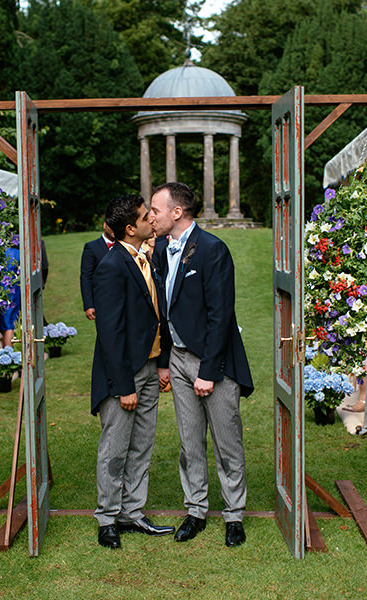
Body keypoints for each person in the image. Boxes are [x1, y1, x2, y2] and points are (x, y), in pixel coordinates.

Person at [149, 181, 253, 548]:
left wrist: (208, 372)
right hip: (176, 360)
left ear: (177, 212)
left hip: (214, 360)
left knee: (228, 442)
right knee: (189, 441)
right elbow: (163, 312)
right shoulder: (160, 249)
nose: (150, 216)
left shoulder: (213, 250)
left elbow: (221, 316)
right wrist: (164, 361)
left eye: (155, 210)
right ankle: (195, 509)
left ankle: (234, 515)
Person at [90, 194, 173, 549]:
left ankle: (133, 512)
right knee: (115, 447)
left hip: (150, 368)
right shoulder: (110, 267)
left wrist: (162, 362)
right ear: (130, 229)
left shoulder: (145, 259)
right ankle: (107, 519)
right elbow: (110, 333)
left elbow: (157, 314)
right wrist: (124, 386)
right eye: (145, 217)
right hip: (121, 375)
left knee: (141, 445)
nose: (151, 220)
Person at [80, 222, 115, 320]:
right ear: (105, 225)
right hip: (102, 303)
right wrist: (88, 305)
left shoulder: (124, 246)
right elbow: (86, 277)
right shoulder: (91, 247)